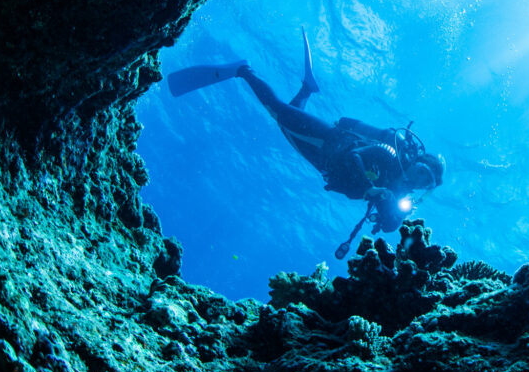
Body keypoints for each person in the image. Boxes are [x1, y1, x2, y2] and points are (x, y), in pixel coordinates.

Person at [167, 28, 444, 255]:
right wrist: (371, 188)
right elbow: (356, 157)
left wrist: (391, 211)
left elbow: (388, 225)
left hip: (322, 163)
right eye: (422, 172)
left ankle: (307, 89)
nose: (418, 181)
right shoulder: (389, 154)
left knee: (286, 126)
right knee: (277, 111)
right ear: (416, 162)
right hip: (329, 141)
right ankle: (243, 70)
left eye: (425, 183)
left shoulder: (397, 191)